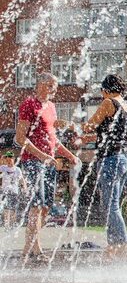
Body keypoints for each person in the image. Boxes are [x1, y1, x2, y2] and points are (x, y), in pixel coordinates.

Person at [15, 72, 80, 264]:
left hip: (49, 163)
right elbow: (20, 138)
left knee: (45, 207)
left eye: (56, 86)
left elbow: (53, 139)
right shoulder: (28, 105)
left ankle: (32, 247)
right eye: (52, 85)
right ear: (41, 85)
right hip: (33, 162)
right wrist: (42, 155)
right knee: (36, 206)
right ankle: (30, 250)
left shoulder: (51, 107)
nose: (55, 89)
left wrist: (69, 155)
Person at [82, 74, 127, 260]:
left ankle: (122, 247)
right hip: (124, 159)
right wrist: (90, 138)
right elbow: (111, 134)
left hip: (111, 160)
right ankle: (112, 248)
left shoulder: (108, 102)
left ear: (105, 90)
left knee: (111, 206)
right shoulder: (126, 106)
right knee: (113, 206)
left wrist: (71, 126)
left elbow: (90, 125)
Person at [0, 152, 27, 229]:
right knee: (6, 208)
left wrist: (25, 187)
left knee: (13, 208)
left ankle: (12, 224)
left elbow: (22, 179)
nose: (9, 159)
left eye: (11, 158)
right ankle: (6, 225)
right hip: (5, 191)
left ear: (14, 159)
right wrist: (2, 159)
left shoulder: (17, 169)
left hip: (14, 191)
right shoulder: (3, 167)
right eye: (7, 158)